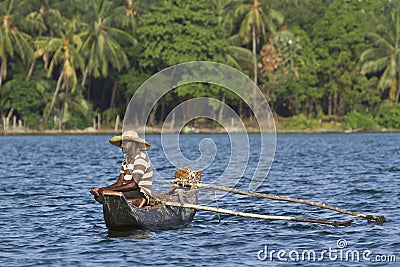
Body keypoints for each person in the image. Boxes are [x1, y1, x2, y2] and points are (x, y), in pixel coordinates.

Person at [90, 130, 153, 208]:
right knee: (99, 197)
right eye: (121, 143)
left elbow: (133, 185)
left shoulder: (140, 159)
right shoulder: (126, 160)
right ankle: (132, 201)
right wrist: (102, 189)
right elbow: (119, 183)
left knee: (105, 194)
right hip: (128, 191)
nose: (121, 146)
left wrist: (108, 191)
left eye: (124, 143)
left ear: (133, 144)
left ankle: (140, 200)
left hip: (140, 192)